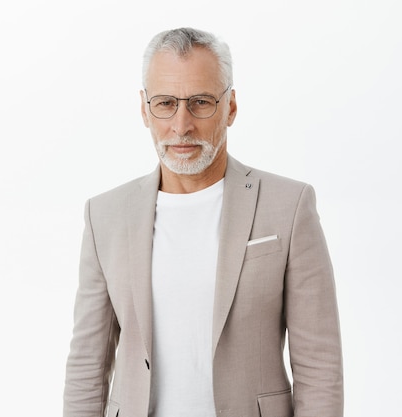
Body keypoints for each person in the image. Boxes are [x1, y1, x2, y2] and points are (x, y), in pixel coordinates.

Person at [63, 27, 343, 417]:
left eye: (200, 102)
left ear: (230, 107)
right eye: (165, 103)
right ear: (144, 109)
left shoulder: (289, 206)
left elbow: (319, 366)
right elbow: (87, 367)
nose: (181, 125)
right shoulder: (105, 215)